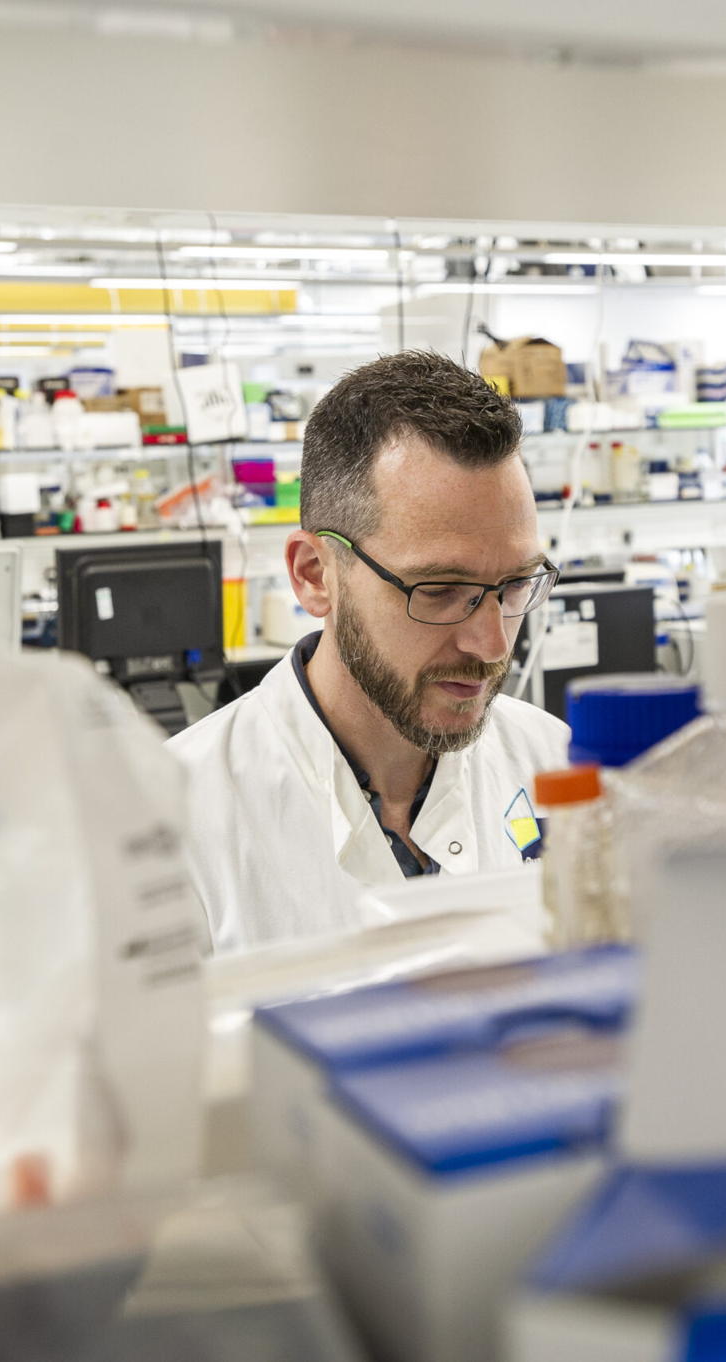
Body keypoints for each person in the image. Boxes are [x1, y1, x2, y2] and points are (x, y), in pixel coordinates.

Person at [170, 350, 571, 954]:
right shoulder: (174, 823)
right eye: (438, 591)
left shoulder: (556, 764)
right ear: (314, 575)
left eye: (515, 586)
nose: (491, 644)